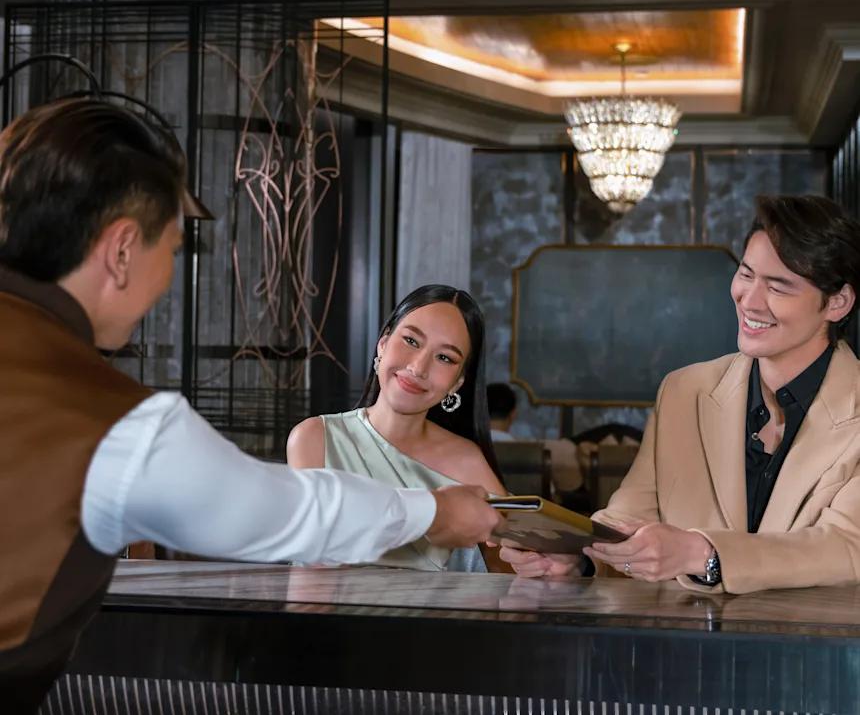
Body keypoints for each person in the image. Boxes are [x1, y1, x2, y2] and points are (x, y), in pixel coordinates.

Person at [0, 99, 501, 711]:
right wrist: (434, 513)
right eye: (175, 249)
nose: (169, 278)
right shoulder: (110, 421)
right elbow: (288, 513)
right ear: (123, 249)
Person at [501, 195, 860, 594]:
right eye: (746, 274)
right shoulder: (684, 391)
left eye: (778, 287)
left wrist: (704, 554)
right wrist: (579, 557)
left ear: (837, 303)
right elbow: (630, 520)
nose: (750, 300)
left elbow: (846, 546)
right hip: (686, 633)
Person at [288, 284, 508, 571]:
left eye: (444, 358)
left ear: (457, 383)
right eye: (411, 341)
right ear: (383, 344)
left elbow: (513, 560)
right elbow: (312, 557)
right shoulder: (315, 438)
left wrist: (545, 560)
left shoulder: (467, 461)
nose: (418, 368)